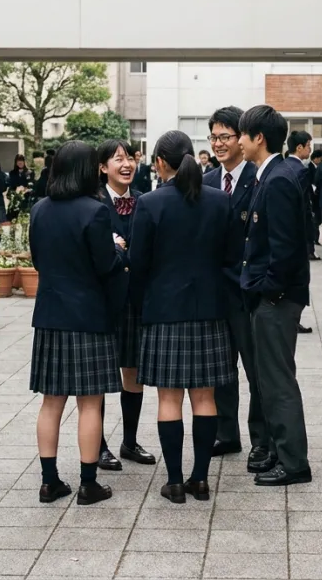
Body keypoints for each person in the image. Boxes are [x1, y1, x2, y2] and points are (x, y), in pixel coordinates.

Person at [132, 130, 233, 503]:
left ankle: (174, 481)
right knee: (205, 398)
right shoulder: (220, 201)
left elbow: (139, 263)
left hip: (164, 311)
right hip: (209, 309)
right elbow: (229, 256)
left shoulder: (151, 203)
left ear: (160, 162)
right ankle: (201, 479)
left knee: (169, 399)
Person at [28, 141, 126, 506]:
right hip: (89, 316)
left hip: (51, 315)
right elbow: (105, 265)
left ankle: (49, 481)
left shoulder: (39, 210)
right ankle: (88, 483)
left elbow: (38, 261)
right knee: (89, 402)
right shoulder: (95, 211)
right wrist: (117, 248)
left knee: (51, 402)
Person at [237, 105, 312, 487]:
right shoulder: (273, 174)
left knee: (277, 379)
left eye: (241, 135)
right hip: (270, 295)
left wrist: (266, 291)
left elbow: (284, 249)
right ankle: (282, 453)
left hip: (277, 298)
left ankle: (294, 462)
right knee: (269, 378)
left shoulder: (279, 178)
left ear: (258, 138)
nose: (238, 142)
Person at [202, 106, 265, 463]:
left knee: (255, 370)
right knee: (221, 368)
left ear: (242, 139)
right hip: (216, 294)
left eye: (226, 136)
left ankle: (260, 437)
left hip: (248, 291)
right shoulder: (207, 180)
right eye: (214, 137)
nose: (219, 143)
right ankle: (226, 433)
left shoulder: (258, 177)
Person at [94, 139, 155, 472]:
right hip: (104, 300)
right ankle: (99, 445)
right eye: (118, 159)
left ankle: (129, 441)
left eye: (130, 157)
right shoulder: (94, 203)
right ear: (104, 167)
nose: (127, 164)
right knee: (103, 375)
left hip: (136, 299)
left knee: (133, 371)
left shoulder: (144, 201)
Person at [283, 132, 316, 334]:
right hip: (299, 233)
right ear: (300, 147)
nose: (310, 150)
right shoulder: (300, 171)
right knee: (300, 278)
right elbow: (304, 207)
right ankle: (294, 318)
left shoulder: (283, 167)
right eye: (309, 146)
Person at [7, 154, 35, 222]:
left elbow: (32, 185)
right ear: (16, 162)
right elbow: (11, 185)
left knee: (25, 220)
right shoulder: (12, 173)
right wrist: (17, 189)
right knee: (13, 220)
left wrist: (25, 189)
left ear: (24, 161)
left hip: (26, 199)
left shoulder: (30, 172)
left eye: (21, 160)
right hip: (15, 200)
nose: (20, 162)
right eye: (18, 161)